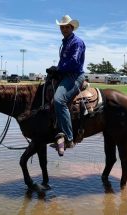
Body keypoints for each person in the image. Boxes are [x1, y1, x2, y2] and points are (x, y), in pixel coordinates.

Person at [52, 15, 86, 156]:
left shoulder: (77, 42)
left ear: (72, 28)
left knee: (59, 100)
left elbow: (74, 62)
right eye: (62, 27)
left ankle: (69, 138)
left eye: (66, 27)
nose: (64, 29)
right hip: (65, 75)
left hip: (74, 76)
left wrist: (59, 69)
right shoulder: (65, 42)